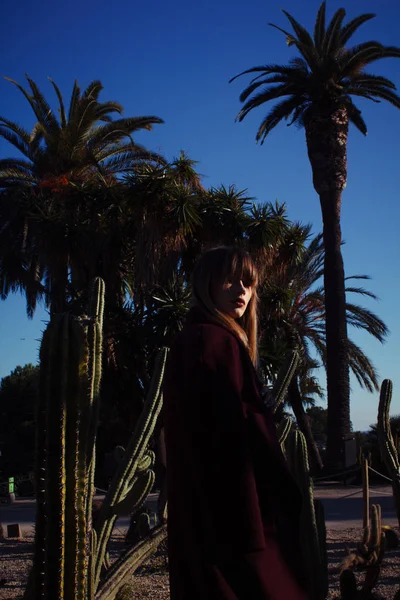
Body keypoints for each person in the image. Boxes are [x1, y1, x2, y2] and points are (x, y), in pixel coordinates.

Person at [163, 246, 309, 600]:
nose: (242, 291)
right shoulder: (213, 342)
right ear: (206, 284)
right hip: (236, 524)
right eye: (231, 279)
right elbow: (225, 442)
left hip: (209, 522)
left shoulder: (198, 340)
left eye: (248, 282)